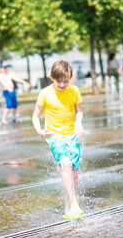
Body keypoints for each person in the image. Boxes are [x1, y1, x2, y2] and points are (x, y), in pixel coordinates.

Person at [32, 60, 84, 220]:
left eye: (65, 81)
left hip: (71, 136)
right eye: (58, 81)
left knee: (74, 172)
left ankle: (68, 208)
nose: (62, 84)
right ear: (51, 77)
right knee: (66, 164)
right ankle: (75, 204)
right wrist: (39, 131)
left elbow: (79, 112)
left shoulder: (74, 91)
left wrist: (78, 124)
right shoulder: (45, 93)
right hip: (54, 136)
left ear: (70, 78)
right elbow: (35, 116)